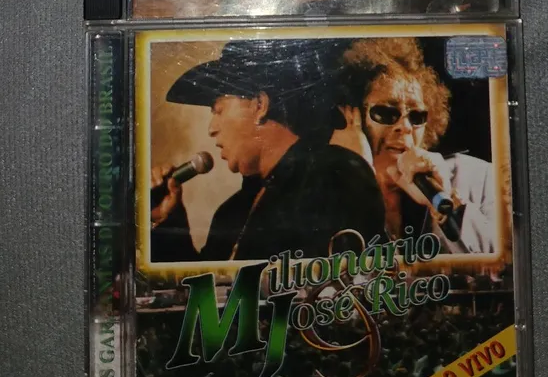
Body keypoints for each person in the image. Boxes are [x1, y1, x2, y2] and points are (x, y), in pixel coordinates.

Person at [150, 39, 386, 262]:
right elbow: (202, 285)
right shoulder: (231, 212)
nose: (212, 129)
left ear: (260, 105)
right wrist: (169, 220)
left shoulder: (335, 175)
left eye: (219, 110)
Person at [338, 36, 496, 254]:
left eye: (416, 116)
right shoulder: (327, 194)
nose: (405, 127)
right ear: (352, 116)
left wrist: (445, 207)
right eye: (386, 112)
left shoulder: (479, 178)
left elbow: (505, 263)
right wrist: (358, 176)